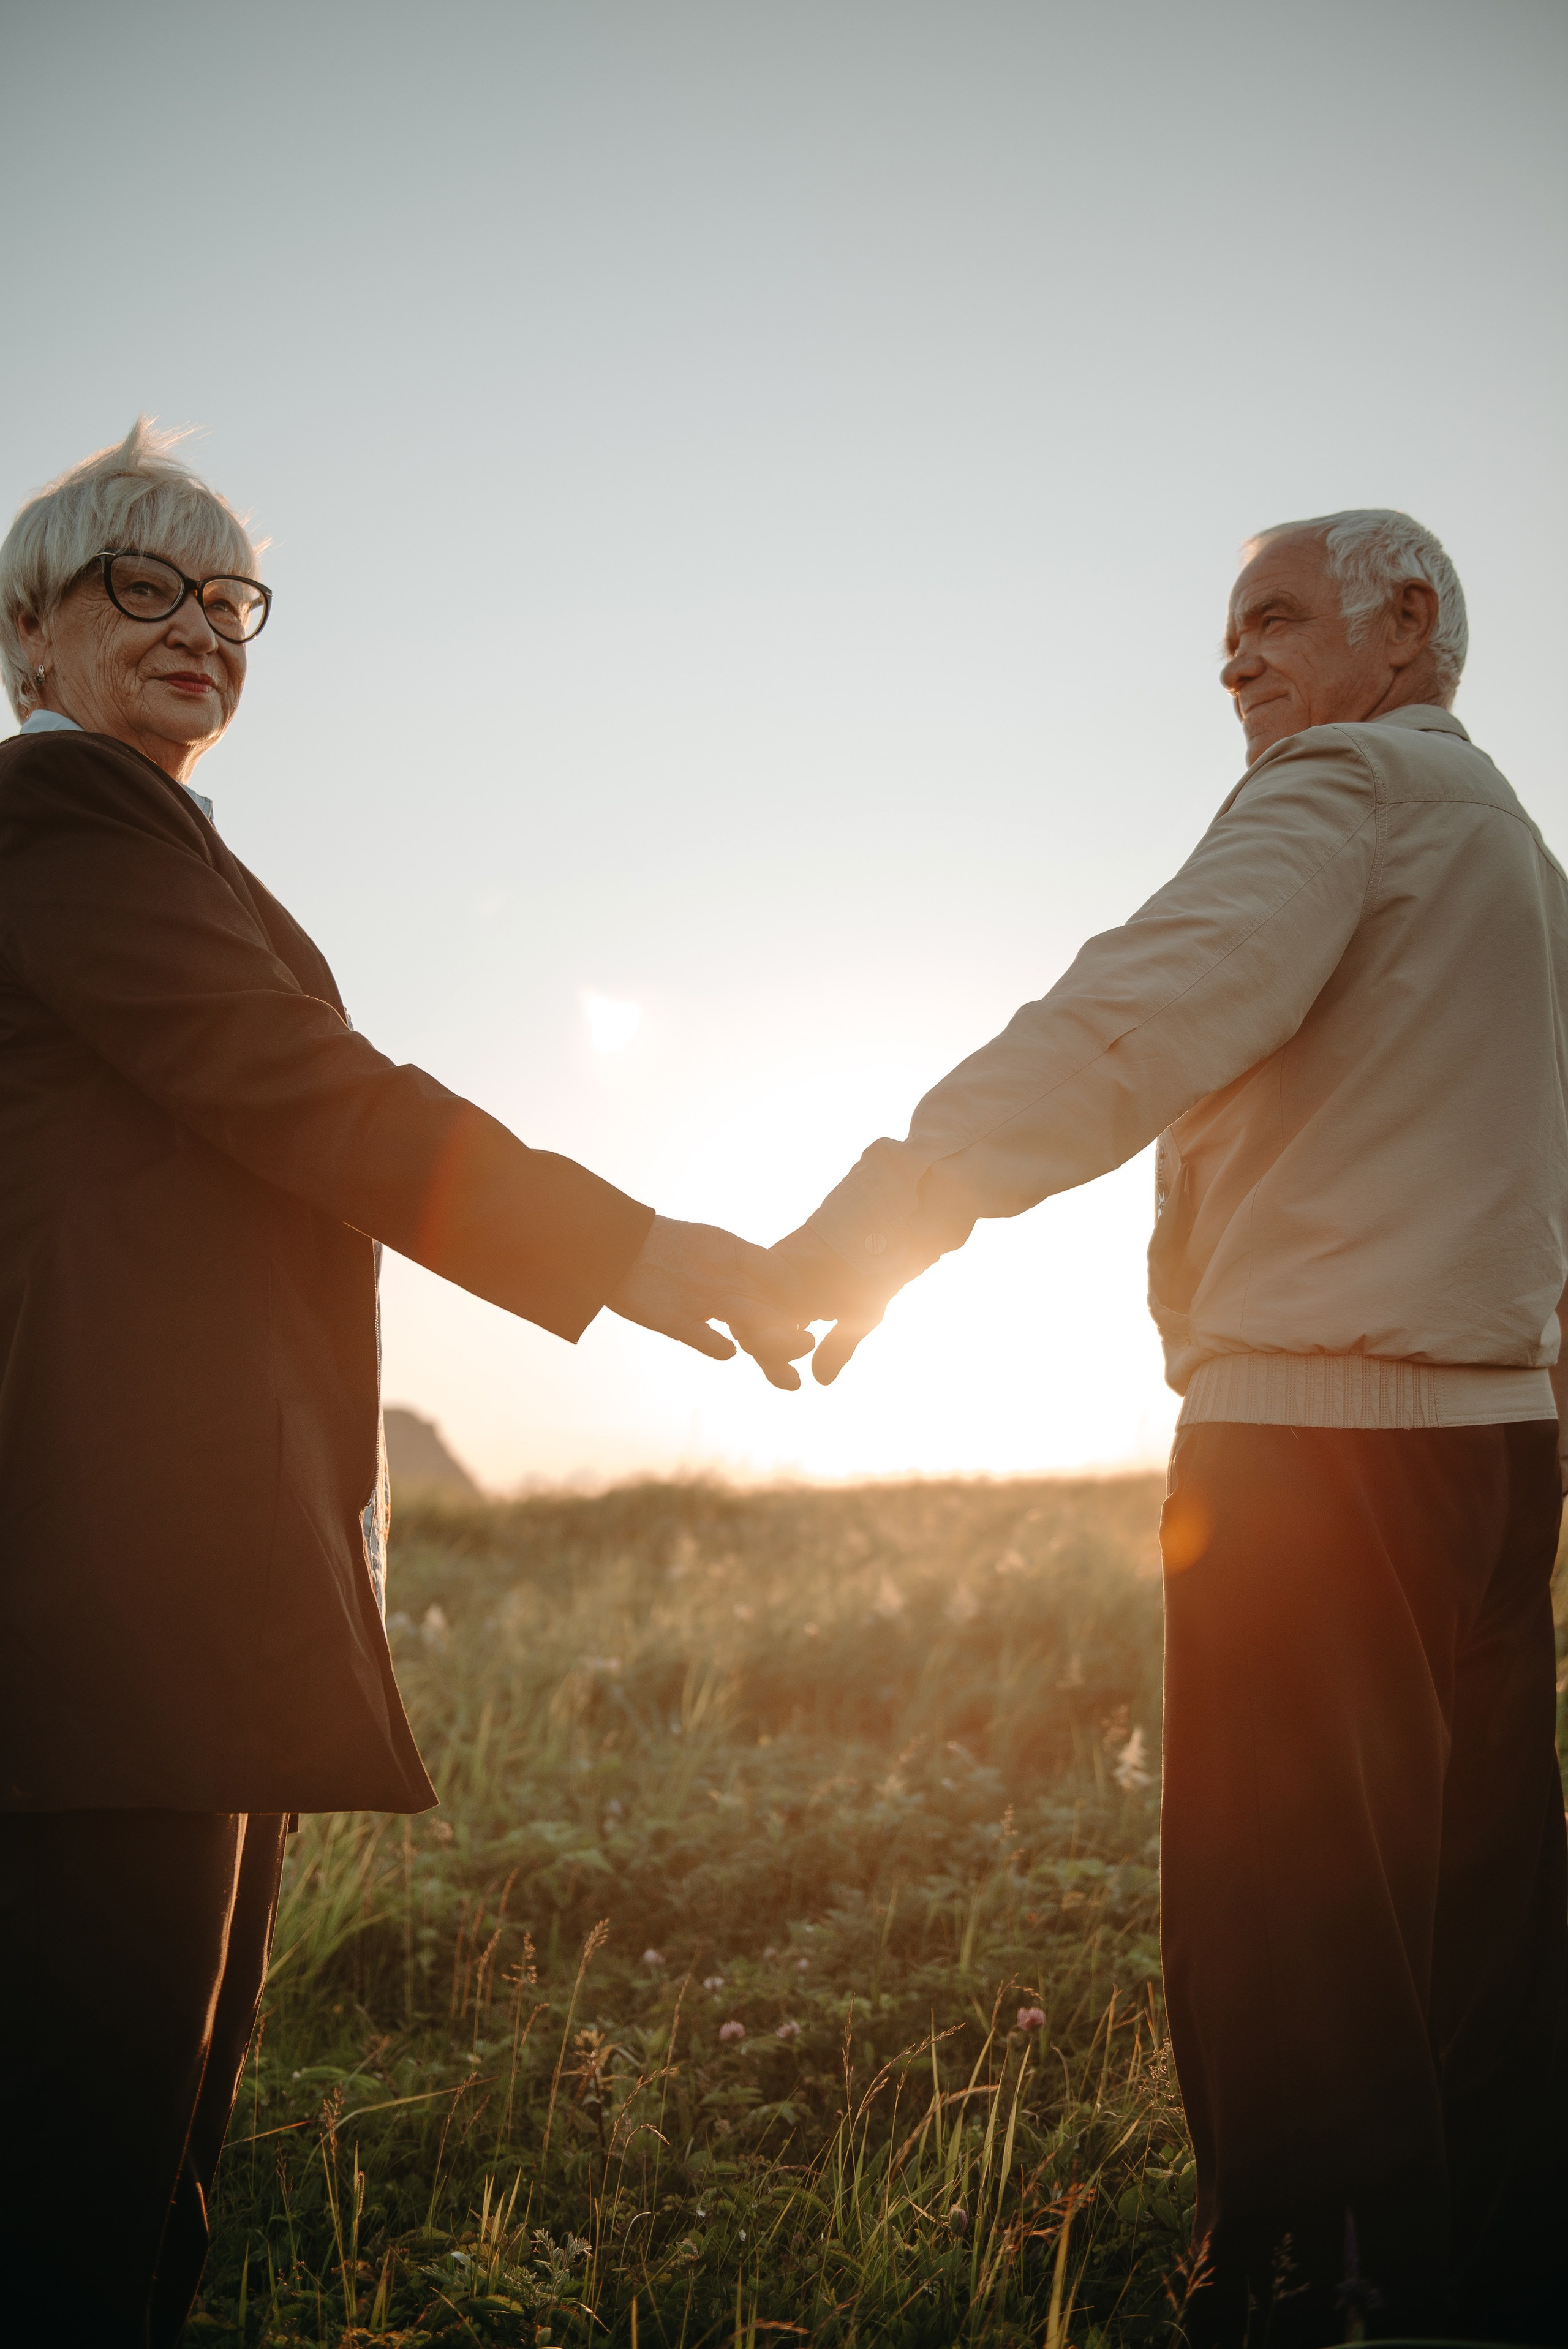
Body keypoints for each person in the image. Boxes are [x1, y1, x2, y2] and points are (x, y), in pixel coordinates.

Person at [0, 421, 810, 2349]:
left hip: (175, 1577)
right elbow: (312, 1098)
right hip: (107, 1586)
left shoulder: (155, 845)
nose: (203, 627)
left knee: (152, 2131)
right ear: (31, 638)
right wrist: (638, 1248)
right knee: (82, 2155)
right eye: (143, 584)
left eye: (229, 598)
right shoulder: (62, 826)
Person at [769, 510, 1568, 2344]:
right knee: (1484, 1941)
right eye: (1227, 636)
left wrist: (895, 1204)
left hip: (1313, 1452)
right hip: (1498, 1467)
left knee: (1295, 1936)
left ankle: (1313, 2301)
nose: (1237, 663)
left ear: (1408, 624)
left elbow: (1134, 1013)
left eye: (1276, 618)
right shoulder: (1524, 856)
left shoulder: (1346, 790)